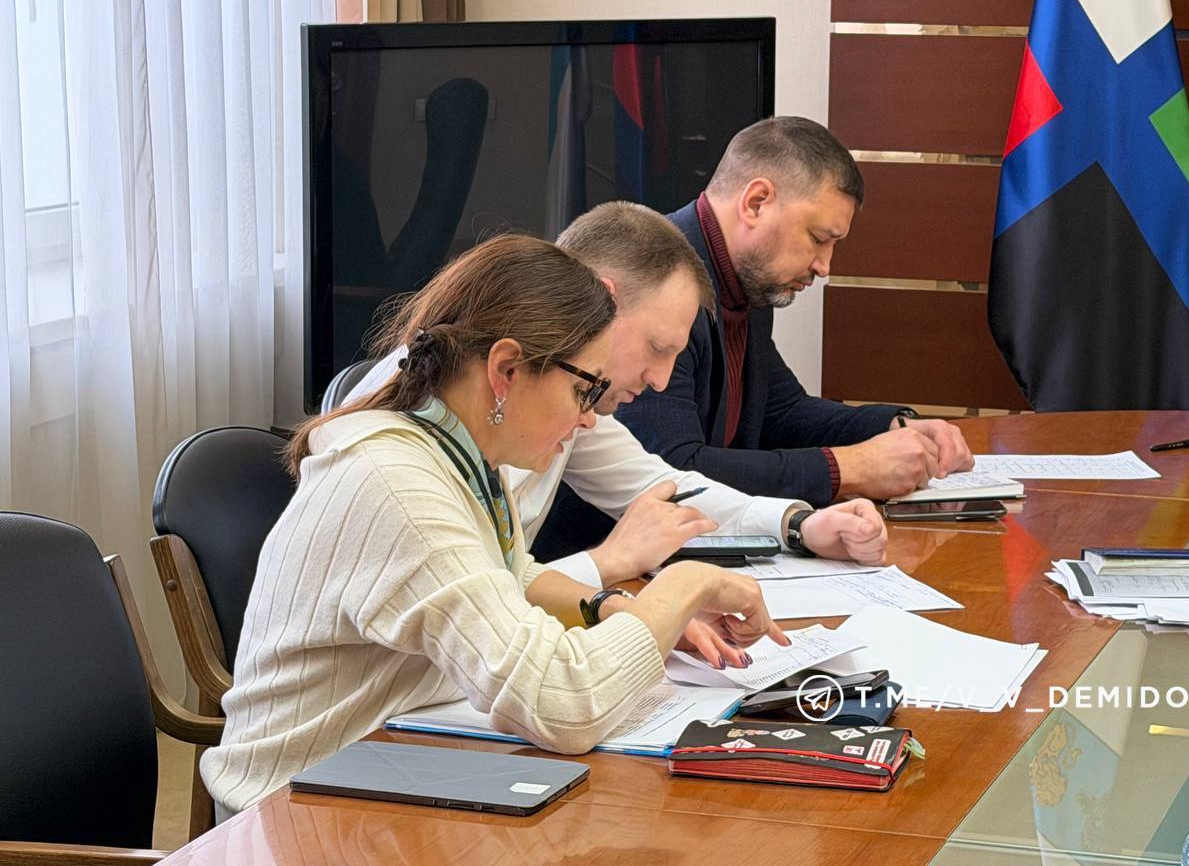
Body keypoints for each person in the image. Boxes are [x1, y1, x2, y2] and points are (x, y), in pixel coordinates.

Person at [202, 235, 786, 815]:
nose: (588, 419)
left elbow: (508, 574)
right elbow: (564, 705)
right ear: (506, 369)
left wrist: (616, 610)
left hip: (381, 771)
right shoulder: (398, 484)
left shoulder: (456, 450)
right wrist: (683, 587)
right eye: (583, 390)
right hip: (288, 814)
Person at [348, 201, 889, 584]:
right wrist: (612, 565)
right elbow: (480, 612)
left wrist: (796, 524)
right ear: (603, 303)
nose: (661, 379)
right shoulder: (415, 439)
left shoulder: (565, 397)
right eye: (657, 347)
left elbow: (661, 486)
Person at [614, 116, 974, 507]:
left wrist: (894, 425)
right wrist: (849, 468)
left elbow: (780, 412)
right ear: (756, 203)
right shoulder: (653, 280)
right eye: (818, 239)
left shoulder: (745, 277)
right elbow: (671, 471)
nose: (825, 266)